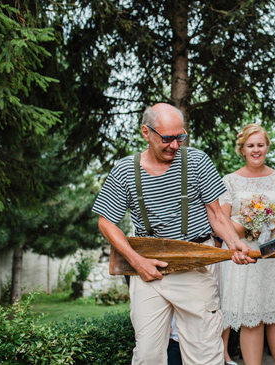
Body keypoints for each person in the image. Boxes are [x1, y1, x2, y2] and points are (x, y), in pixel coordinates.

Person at [93, 103, 251, 364]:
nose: (175, 145)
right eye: (167, 138)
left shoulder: (198, 161)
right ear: (146, 132)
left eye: (180, 136)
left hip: (195, 265)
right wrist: (137, 262)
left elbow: (216, 214)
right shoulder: (124, 170)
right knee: (147, 355)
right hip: (149, 270)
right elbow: (106, 222)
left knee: (205, 355)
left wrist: (234, 243)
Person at [218, 124, 275, 365]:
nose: (256, 150)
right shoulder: (230, 181)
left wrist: (273, 219)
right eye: (250, 146)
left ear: (267, 146)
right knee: (251, 317)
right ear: (242, 149)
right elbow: (223, 224)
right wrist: (249, 225)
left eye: (260, 144)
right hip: (246, 257)